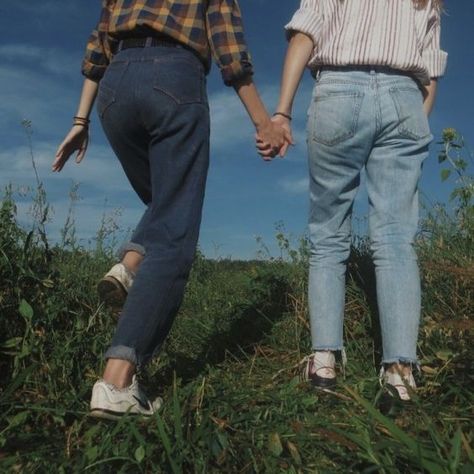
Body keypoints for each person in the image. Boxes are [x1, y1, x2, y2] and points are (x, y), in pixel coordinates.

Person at [53, 0, 291, 419]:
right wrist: (263, 123)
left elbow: (98, 46)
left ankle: (129, 264)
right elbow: (229, 46)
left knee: (165, 205)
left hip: (114, 89)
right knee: (175, 228)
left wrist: (80, 120)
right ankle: (117, 381)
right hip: (173, 76)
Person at [258, 0, 447, 401]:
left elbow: (305, 35)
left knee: (328, 233)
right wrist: (417, 124)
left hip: (339, 92)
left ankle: (324, 361)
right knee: (396, 236)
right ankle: (400, 374)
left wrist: (282, 113)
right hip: (405, 98)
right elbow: (430, 72)